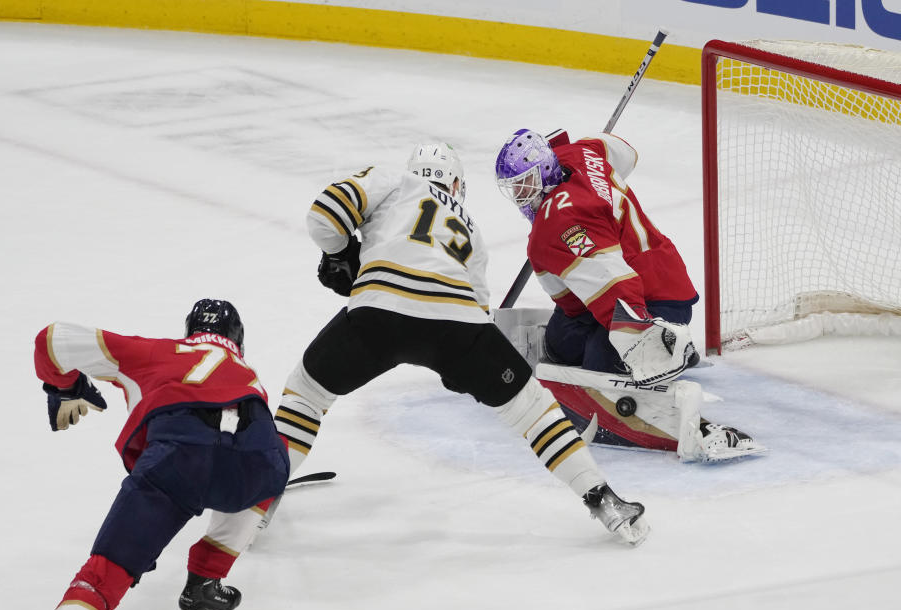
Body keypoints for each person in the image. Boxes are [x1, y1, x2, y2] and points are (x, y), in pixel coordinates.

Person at [271, 141, 649, 547]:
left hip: (378, 312)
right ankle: (603, 499)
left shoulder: (394, 179)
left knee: (306, 395)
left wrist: (341, 253)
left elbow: (324, 217)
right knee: (532, 410)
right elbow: (480, 310)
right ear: (455, 183)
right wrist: (464, 372)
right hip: (457, 323)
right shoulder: (470, 227)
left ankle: (257, 500)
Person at [494, 128, 764, 462]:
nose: (521, 195)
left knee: (598, 363)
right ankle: (659, 346)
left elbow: (614, 285)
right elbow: (624, 152)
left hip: (655, 301)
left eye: (525, 183)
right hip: (666, 274)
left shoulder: (557, 225)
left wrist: (642, 341)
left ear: (546, 171)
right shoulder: (581, 152)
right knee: (560, 340)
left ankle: (667, 355)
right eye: (516, 186)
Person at [34, 299, 289, 610]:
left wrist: (66, 389)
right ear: (237, 341)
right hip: (255, 464)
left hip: (176, 461)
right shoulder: (246, 374)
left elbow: (51, 339)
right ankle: (205, 582)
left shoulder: (158, 352)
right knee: (271, 460)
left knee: (101, 579)